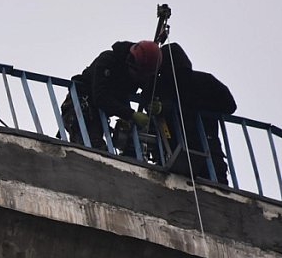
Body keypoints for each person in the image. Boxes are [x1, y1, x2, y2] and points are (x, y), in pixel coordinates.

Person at [153, 43, 236, 184]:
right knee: (216, 188)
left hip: (197, 152)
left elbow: (230, 106)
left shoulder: (166, 87)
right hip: (193, 153)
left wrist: (197, 106)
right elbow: (230, 105)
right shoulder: (204, 81)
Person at [61, 40, 162, 150]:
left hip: (97, 116)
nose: (138, 79)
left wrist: (155, 103)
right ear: (130, 61)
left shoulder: (138, 73)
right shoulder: (108, 60)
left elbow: (149, 87)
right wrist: (131, 114)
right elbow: (100, 97)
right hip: (80, 108)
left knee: (120, 150)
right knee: (94, 149)